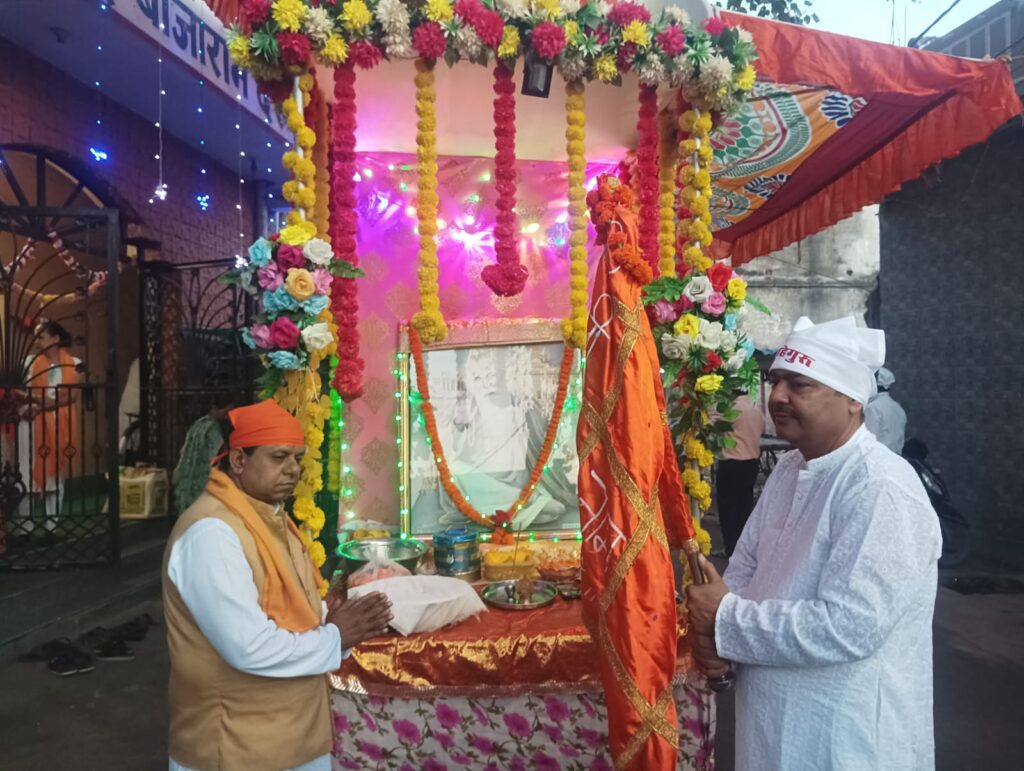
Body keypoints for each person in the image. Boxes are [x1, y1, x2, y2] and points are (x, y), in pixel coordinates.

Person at [686, 316, 941, 771]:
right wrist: (716, 631)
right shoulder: (789, 469)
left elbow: (848, 627)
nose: (778, 396)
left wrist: (724, 619)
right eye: (776, 381)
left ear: (853, 400)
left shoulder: (879, 486)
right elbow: (745, 568)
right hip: (770, 722)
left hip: (846, 736)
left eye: (800, 384)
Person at [162, 400, 392, 771]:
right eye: (279, 457)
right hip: (236, 748)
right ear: (239, 460)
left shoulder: (268, 516)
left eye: (298, 459)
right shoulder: (212, 533)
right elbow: (248, 647)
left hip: (292, 735)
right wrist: (335, 636)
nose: (293, 469)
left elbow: (293, 604)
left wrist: (331, 618)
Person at [15, 320, 81, 538]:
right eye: (35, 337)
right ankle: (25, 529)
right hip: (31, 422)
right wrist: (32, 403)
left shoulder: (74, 364)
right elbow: (15, 391)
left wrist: (40, 403)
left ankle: (52, 528)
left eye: (41, 337)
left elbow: (71, 397)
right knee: (27, 475)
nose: (36, 342)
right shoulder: (28, 363)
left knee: (55, 477)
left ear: (55, 338)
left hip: (58, 423)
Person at [715, 390, 765, 556]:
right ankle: (743, 550)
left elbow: (709, 423)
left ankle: (730, 549)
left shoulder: (731, 410)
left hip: (732, 464)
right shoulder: (756, 410)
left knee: (728, 509)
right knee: (744, 508)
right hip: (751, 464)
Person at [172, 395, 237, 514]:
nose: (227, 416)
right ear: (214, 408)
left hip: (185, 477)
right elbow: (215, 454)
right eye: (226, 411)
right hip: (202, 479)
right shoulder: (214, 428)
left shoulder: (198, 424)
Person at [864, 366, 907, 454]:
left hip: (878, 457)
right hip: (896, 458)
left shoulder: (873, 407)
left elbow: (869, 440)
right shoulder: (897, 407)